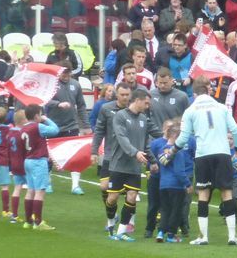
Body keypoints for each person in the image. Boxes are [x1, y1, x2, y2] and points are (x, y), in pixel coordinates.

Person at [158, 77, 237, 246]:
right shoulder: (221, 107)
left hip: (203, 154)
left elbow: (183, 137)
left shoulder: (191, 110)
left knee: (203, 193)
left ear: (194, 93)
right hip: (223, 153)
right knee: (227, 192)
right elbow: (235, 129)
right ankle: (232, 236)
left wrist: (173, 151)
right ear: (208, 90)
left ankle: (203, 237)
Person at [106, 88, 159, 242]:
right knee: (112, 198)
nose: (148, 106)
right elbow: (122, 139)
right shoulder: (120, 117)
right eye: (146, 103)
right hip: (118, 165)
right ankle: (110, 224)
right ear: (137, 100)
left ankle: (122, 231)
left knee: (132, 196)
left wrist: (153, 160)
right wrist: (135, 152)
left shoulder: (143, 119)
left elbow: (146, 143)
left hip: (134, 167)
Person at [145, 67, 189, 238]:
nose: (162, 85)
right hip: (155, 147)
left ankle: (182, 226)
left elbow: (187, 120)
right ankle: (150, 227)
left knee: (180, 195)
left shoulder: (181, 97)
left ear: (172, 80)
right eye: (159, 83)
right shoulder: (151, 95)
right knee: (154, 193)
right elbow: (146, 117)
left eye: (165, 82)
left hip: (176, 146)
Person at [45, 60, 91, 195]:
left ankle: (75, 186)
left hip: (72, 125)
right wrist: (58, 104)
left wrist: (86, 125)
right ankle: (47, 183)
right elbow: (46, 100)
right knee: (49, 156)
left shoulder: (76, 85)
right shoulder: (52, 84)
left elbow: (81, 106)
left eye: (67, 72)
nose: (65, 75)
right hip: (53, 126)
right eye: (63, 72)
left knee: (75, 156)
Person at [91, 82, 132, 232]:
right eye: (122, 94)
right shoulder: (106, 109)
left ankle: (128, 221)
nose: (125, 98)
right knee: (104, 187)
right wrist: (94, 151)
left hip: (128, 157)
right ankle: (112, 216)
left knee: (130, 192)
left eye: (127, 95)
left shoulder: (134, 110)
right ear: (116, 94)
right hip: (110, 155)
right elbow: (99, 130)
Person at [151, 119, 195, 242]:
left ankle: (160, 232)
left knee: (165, 209)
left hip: (163, 185)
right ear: (176, 136)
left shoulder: (162, 149)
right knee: (176, 210)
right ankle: (171, 235)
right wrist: (187, 184)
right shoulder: (178, 152)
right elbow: (179, 171)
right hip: (176, 185)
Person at [21, 104, 60, 230]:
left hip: (28, 160)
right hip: (38, 161)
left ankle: (28, 221)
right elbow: (55, 130)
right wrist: (46, 119)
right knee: (40, 191)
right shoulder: (39, 126)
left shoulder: (23, 128)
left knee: (30, 190)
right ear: (37, 115)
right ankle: (38, 222)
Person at [7, 109, 27, 224]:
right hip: (24, 164)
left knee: (17, 188)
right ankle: (32, 215)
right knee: (31, 189)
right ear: (23, 120)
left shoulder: (10, 133)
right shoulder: (23, 133)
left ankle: (14, 215)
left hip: (14, 164)